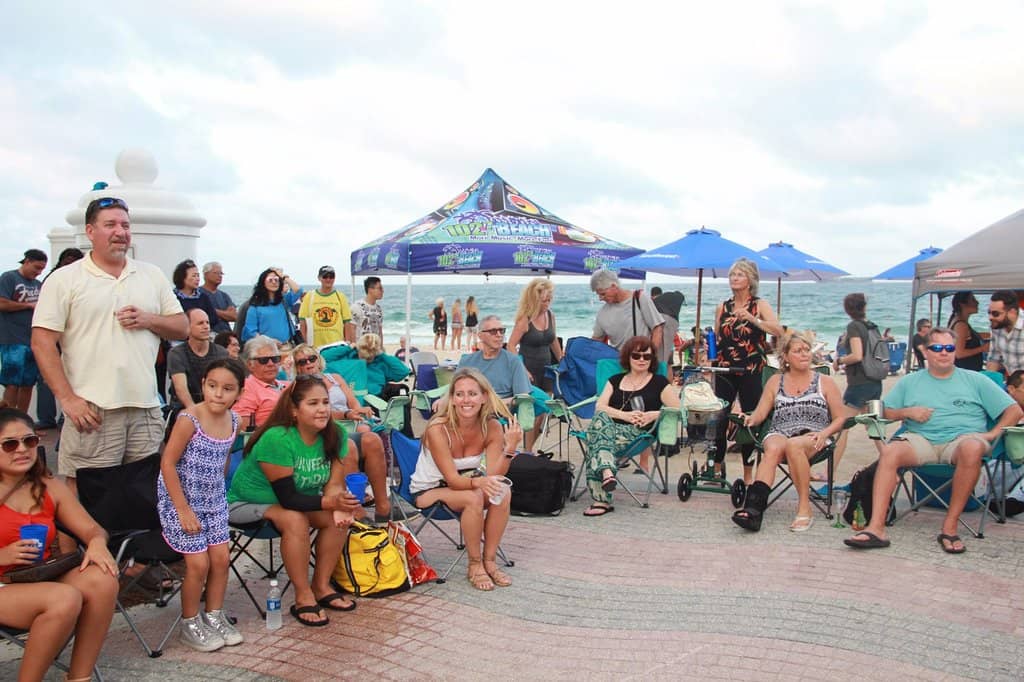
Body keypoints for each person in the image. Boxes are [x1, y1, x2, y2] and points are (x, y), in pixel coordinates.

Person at [32, 197, 188, 485]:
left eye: (125, 225)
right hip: (92, 410)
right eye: (110, 225)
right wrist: (68, 399)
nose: (121, 231)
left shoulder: (151, 275)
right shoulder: (65, 279)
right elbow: (42, 343)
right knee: (88, 495)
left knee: (141, 496)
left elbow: (182, 327)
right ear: (90, 231)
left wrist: (149, 319)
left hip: (145, 408)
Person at [844, 327, 1022, 553]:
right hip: (921, 439)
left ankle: (950, 527)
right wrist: (906, 413)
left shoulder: (976, 380)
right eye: (937, 348)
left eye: (949, 348)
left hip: (961, 441)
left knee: (972, 447)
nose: (944, 353)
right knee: (890, 452)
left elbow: (1013, 411)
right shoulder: (910, 382)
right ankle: (875, 529)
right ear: (925, 351)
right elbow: (884, 412)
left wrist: (991, 434)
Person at [226, 375, 363, 626]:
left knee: (337, 519)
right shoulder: (278, 439)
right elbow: (288, 499)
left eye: (325, 402)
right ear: (294, 410)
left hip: (298, 502)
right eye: (312, 403)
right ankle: (303, 596)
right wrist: (331, 503)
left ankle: (321, 586)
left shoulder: (336, 434)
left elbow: (333, 484)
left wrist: (340, 503)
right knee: (294, 519)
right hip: (246, 504)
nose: (322, 409)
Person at [0, 407, 119, 682]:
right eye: (10, 444)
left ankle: (79, 677)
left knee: (102, 577)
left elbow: (91, 528)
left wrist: (97, 543)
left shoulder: (46, 484)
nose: (22, 450)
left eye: (29, 441)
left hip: (34, 576)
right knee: (64, 599)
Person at [157, 359, 246, 651]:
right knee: (198, 563)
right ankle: (190, 622)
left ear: (238, 393)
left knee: (221, 559)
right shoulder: (188, 419)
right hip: (181, 499)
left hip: (213, 499)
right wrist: (182, 509)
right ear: (203, 385)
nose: (218, 394)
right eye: (212, 386)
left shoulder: (234, 421)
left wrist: (221, 496)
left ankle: (214, 615)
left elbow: (222, 463)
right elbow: (168, 463)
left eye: (227, 388)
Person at [408, 368, 522, 591]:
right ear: (451, 399)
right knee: (473, 498)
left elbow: (493, 476)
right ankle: (474, 564)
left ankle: (490, 561)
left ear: (484, 397)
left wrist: (510, 448)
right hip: (429, 491)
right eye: (459, 394)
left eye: (472, 393)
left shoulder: (492, 426)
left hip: (467, 486)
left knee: (503, 491)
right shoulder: (437, 428)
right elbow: (452, 480)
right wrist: (479, 483)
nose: (466, 400)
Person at [731, 331, 846, 532]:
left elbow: (841, 418)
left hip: (815, 436)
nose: (804, 354)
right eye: (798, 351)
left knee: (794, 445)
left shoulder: (824, 382)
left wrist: (826, 433)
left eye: (807, 350)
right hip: (780, 432)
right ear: (785, 356)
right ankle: (753, 511)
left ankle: (804, 508)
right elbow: (760, 413)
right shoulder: (775, 381)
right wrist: (749, 418)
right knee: (773, 447)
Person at [581, 336, 680, 517]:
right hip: (610, 428)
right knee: (600, 419)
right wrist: (624, 415)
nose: (642, 359)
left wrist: (653, 415)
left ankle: (602, 496)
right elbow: (600, 407)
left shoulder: (659, 382)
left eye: (646, 356)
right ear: (628, 357)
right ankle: (607, 471)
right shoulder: (615, 380)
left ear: (652, 360)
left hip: (637, 432)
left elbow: (678, 410)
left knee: (594, 437)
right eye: (636, 355)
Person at [293, 343, 392, 522]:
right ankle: (357, 508)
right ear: (296, 367)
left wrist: (358, 410)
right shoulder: (300, 387)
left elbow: (353, 401)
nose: (308, 363)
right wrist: (346, 414)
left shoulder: (335, 378)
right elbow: (317, 414)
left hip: (348, 422)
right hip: (324, 432)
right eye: (302, 361)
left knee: (371, 439)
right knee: (351, 442)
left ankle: (383, 507)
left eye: (311, 358)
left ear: (318, 359)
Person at [712, 258, 783, 483]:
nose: (734, 278)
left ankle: (748, 474)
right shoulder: (722, 307)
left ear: (750, 280)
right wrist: (709, 355)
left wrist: (753, 319)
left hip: (752, 368)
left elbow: (778, 330)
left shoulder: (759, 305)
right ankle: (716, 466)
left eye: (740, 274)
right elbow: (716, 336)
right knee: (720, 417)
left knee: (749, 420)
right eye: (732, 274)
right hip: (725, 368)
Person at [449, 316, 549, 449]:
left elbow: (522, 396)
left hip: (497, 412)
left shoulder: (513, 362)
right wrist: (443, 400)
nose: (499, 335)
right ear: (480, 336)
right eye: (493, 331)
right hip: (467, 407)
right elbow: (454, 390)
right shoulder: (467, 361)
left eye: (502, 331)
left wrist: (496, 403)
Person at [830, 293, 885, 476]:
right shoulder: (872, 326)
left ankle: (829, 474)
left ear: (847, 309)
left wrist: (840, 361)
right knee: (874, 426)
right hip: (874, 381)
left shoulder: (854, 326)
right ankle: (890, 459)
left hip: (859, 384)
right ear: (864, 307)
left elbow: (857, 355)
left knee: (841, 426)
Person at [33, 248, 85, 431]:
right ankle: (47, 417)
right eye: (68, 261)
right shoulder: (55, 280)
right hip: (53, 341)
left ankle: (65, 418)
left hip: (73, 343)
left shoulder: (82, 279)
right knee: (46, 379)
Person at [0, 249, 47, 413]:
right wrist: (27, 305)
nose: (38, 272)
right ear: (26, 262)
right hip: (12, 339)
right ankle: (6, 422)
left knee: (28, 383)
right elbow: (2, 304)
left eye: (41, 269)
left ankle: (23, 420)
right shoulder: (9, 278)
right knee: (12, 382)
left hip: (32, 340)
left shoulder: (38, 285)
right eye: (36, 268)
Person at [507, 278, 563, 394]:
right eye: (544, 301)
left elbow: (553, 341)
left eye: (549, 300)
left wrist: (562, 360)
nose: (547, 304)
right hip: (529, 370)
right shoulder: (525, 319)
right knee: (532, 405)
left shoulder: (550, 314)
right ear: (534, 300)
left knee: (547, 404)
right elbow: (511, 346)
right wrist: (523, 370)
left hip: (547, 368)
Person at [590, 269, 664, 356]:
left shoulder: (639, 298)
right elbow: (596, 341)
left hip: (641, 360)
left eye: (603, 294)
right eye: (598, 295)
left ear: (614, 286)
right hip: (618, 363)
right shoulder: (602, 313)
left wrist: (651, 356)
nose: (600, 298)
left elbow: (657, 328)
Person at [167, 309, 229, 411]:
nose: (206, 327)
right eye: (200, 323)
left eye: (207, 322)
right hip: (184, 409)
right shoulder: (176, 353)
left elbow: (225, 385)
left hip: (215, 406)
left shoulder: (221, 353)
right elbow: (181, 389)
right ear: (188, 327)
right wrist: (196, 414)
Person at [234, 336, 288, 429]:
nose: (271, 364)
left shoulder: (288, 385)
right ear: (250, 365)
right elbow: (244, 429)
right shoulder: (247, 388)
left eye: (275, 359)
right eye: (264, 360)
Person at [241, 268, 304, 344]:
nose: (274, 282)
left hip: (286, 346)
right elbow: (250, 331)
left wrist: (284, 277)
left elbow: (298, 290)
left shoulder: (284, 301)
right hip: (266, 348)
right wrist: (269, 342)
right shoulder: (255, 306)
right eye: (270, 280)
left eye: (276, 280)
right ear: (263, 282)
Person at [298, 265, 352, 348]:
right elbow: (303, 322)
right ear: (319, 278)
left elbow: (347, 322)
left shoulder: (340, 297)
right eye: (325, 276)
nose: (328, 279)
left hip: (337, 345)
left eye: (331, 277)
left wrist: (347, 343)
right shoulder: (309, 296)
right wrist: (305, 345)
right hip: (315, 347)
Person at [354, 333, 412, 398]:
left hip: (367, 396)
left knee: (402, 388)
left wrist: (351, 349)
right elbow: (403, 372)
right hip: (374, 396)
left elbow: (403, 372)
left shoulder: (380, 364)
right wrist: (382, 354)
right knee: (402, 389)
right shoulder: (353, 361)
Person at [171, 259, 219, 333]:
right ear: (183, 278)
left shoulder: (203, 297)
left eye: (198, 276)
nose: (197, 279)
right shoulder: (173, 297)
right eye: (194, 276)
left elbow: (214, 319)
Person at [947, 291, 988, 371]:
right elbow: (959, 353)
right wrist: (982, 348)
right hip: (965, 370)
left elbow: (963, 338)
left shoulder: (957, 321)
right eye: (973, 300)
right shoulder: (961, 325)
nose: (977, 302)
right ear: (962, 304)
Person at [986, 290, 1024, 376]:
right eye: (989, 312)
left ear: (1012, 312)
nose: (990, 317)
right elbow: (994, 358)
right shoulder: (997, 326)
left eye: (995, 314)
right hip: (1013, 384)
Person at [651, 286, 685, 367]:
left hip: (660, 344)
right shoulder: (670, 305)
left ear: (651, 296)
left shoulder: (653, 305)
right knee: (668, 364)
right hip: (669, 343)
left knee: (660, 362)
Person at [201, 261, 236, 334]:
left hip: (226, 335)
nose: (219, 276)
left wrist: (212, 310)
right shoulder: (198, 293)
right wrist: (225, 314)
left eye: (221, 273)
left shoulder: (224, 296)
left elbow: (234, 316)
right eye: (216, 273)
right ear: (205, 275)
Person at [351, 276, 383, 340]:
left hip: (375, 348)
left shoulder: (379, 309)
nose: (382, 291)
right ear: (370, 290)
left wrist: (381, 348)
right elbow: (351, 329)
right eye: (380, 288)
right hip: (361, 348)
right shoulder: (357, 307)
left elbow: (380, 331)